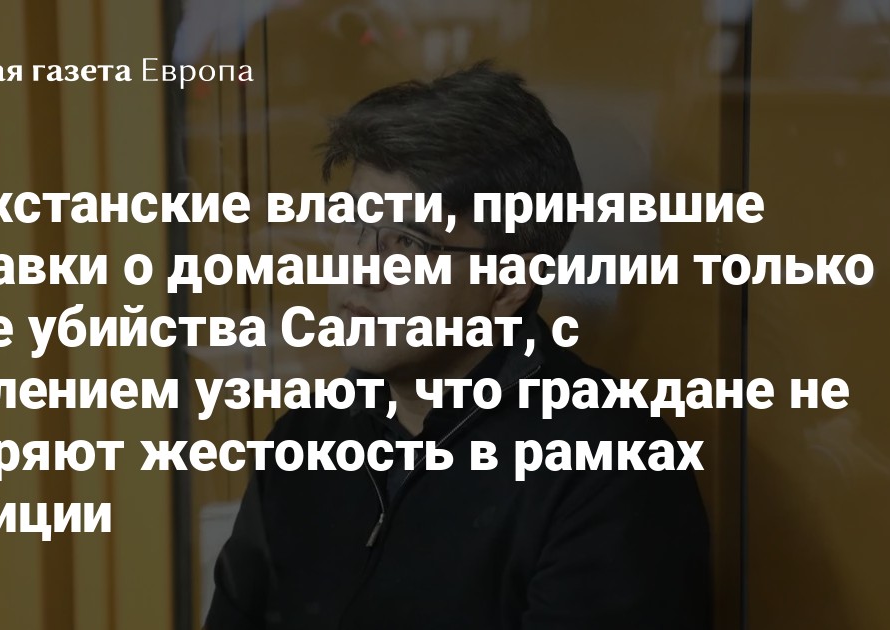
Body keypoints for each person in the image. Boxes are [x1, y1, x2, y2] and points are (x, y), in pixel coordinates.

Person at [205, 61, 710, 629]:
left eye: (407, 241)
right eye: (351, 223)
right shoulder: (305, 439)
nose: (361, 268)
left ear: (509, 283)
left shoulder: (610, 468)